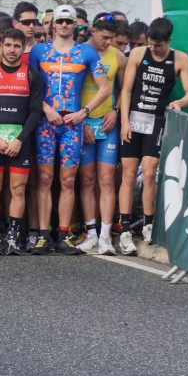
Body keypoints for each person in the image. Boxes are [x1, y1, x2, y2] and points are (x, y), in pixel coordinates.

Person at [29, 4, 110, 254]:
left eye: (68, 21)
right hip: (45, 122)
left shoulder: (86, 52)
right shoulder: (39, 50)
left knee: (68, 180)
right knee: (44, 179)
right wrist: (45, 109)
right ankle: (44, 234)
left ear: (76, 25)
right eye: (60, 21)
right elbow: (30, 86)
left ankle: (63, 234)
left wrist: (83, 113)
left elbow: (105, 88)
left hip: (71, 125)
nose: (64, 25)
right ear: (53, 24)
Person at [118, 17, 188, 253]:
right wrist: (124, 122)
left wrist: (179, 102)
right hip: (133, 118)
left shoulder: (180, 59)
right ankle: (124, 230)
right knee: (129, 175)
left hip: (156, 120)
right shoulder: (138, 54)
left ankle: (149, 225)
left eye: (158, 45)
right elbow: (127, 90)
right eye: (150, 44)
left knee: (150, 173)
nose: (153, 48)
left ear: (168, 41)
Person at [0, 28, 44, 254]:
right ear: (1, 46)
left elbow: (36, 111)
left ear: (22, 48)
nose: (11, 50)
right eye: (8, 45)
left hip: (21, 142)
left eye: (17, 46)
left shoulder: (32, 75)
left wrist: (19, 140)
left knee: (18, 189)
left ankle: (12, 238)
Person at [77, 14, 127, 255]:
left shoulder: (118, 56)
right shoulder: (78, 52)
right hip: (83, 123)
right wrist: (81, 121)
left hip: (107, 124)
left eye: (112, 38)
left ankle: (106, 236)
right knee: (86, 180)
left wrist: (116, 111)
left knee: (106, 179)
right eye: (104, 37)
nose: (108, 42)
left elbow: (123, 89)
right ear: (93, 31)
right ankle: (91, 233)